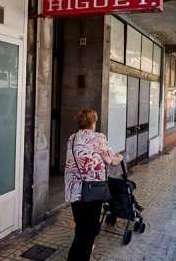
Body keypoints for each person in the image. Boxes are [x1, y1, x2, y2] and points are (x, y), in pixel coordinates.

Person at [65, 109, 123, 261]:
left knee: (81, 227)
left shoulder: (72, 138)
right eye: (95, 121)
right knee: (89, 230)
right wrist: (120, 157)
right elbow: (113, 161)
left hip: (74, 190)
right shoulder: (98, 138)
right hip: (92, 190)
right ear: (92, 122)